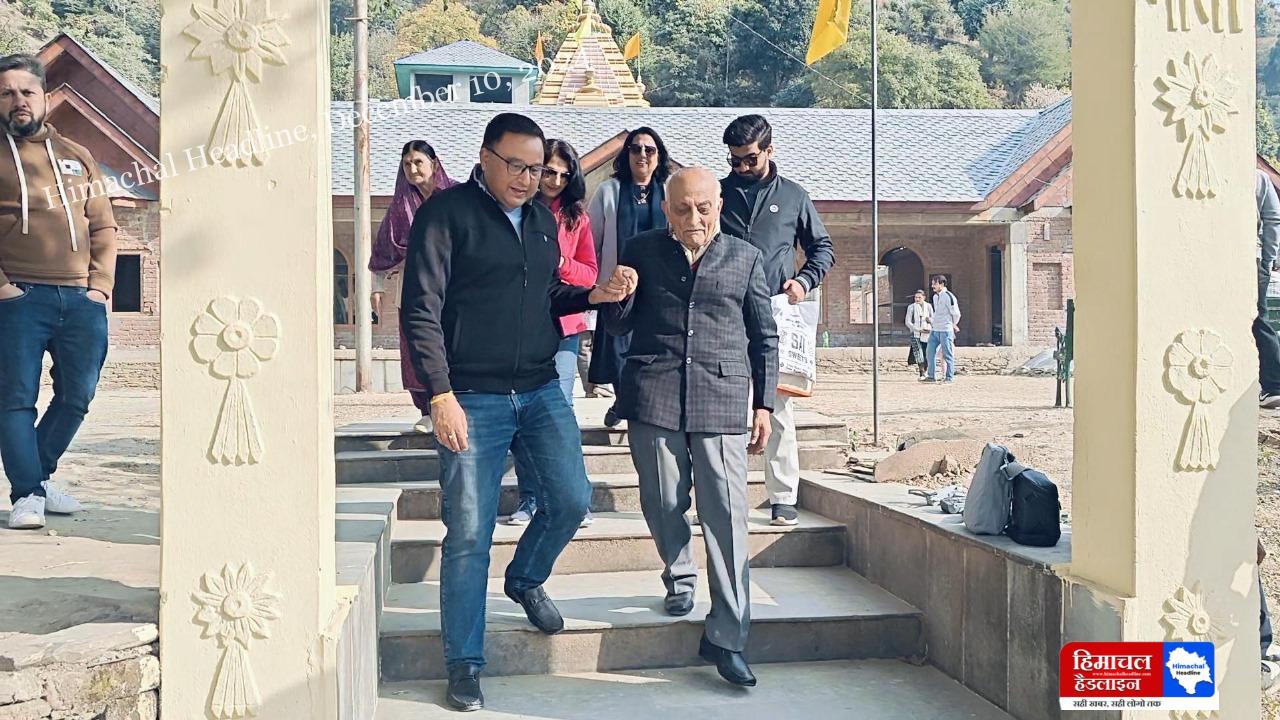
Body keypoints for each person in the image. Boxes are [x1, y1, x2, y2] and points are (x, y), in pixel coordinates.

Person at [399, 112, 635, 712]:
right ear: (485, 157)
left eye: (537, 169)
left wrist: (593, 294)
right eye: (517, 167)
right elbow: (421, 308)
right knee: (469, 532)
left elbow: (546, 294)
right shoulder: (446, 215)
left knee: (572, 499)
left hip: (538, 389)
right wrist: (439, 396)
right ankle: (464, 662)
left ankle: (525, 578)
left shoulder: (539, 221)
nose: (529, 180)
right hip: (469, 397)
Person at [601, 167, 777, 687]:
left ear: (718, 206)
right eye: (681, 209)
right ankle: (679, 575)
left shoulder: (746, 257)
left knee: (727, 516)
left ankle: (728, 637)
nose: (693, 218)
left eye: (703, 207)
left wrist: (764, 405)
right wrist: (617, 295)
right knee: (661, 501)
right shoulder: (641, 249)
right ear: (666, 210)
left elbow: (764, 337)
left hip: (721, 399)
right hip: (654, 394)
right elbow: (617, 325)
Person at [0, 54, 116, 530]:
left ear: (45, 98)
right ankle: (27, 493)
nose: (18, 101)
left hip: (81, 300)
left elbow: (102, 224)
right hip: (19, 299)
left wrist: (101, 287)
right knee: (16, 399)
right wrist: (3, 289)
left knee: (77, 396)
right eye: (7, 93)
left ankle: (37, 478)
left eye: (27, 92)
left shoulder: (77, 155)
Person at [718, 114, 835, 527]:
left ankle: (783, 495)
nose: (741, 167)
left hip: (774, 312)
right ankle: (722, 496)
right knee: (723, 405)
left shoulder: (793, 196)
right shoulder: (718, 193)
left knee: (777, 404)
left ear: (769, 150)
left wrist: (804, 281)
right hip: (724, 311)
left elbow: (823, 249)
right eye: (734, 160)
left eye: (749, 159)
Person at [508, 138, 598, 528]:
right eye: (549, 171)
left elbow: (589, 274)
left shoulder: (576, 218)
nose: (556, 180)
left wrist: (559, 261)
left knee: (560, 411)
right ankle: (531, 497)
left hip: (563, 327)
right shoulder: (515, 208)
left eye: (564, 174)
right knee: (522, 410)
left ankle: (576, 499)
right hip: (518, 325)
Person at [588, 126, 672, 428]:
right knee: (618, 351)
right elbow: (592, 241)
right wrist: (593, 286)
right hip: (618, 289)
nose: (642, 155)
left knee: (653, 351)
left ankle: (631, 404)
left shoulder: (670, 190)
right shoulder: (608, 191)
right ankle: (624, 399)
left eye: (649, 150)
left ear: (659, 156)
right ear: (627, 155)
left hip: (660, 289)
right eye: (636, 149)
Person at [371, 140, 456, 433]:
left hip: (455, 285)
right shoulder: (400, 207)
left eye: (418, 162)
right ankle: (428, 410)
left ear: (434, 163)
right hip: (414, 288)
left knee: (454, 345)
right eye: (407, 164)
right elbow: (383, 249)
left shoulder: (458, 197)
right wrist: (377, 287)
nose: (413, 168)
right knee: (417, 348)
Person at [1255, 169, 1280, 409]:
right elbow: (1272, 219)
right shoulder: (1260, 178)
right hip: (1252, 258)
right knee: (1259, 319)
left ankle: (1273, 385)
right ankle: (1273, 386)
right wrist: (1268, 259)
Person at [925, 275, 961, 383]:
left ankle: (949, 377)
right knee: (930, 352)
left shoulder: (949, 296)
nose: (933, 286)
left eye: (935, 284)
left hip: (945, 329)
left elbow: (956, 313)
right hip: (935, 329)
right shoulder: (935, 297)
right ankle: (931, 376)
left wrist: (952, 324)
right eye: (932, 284)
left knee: (947, 354)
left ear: (942, 284)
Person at [905, 289, 932, 380]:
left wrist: (929, 323)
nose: (917, 299)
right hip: (916, 333)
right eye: (916, 297)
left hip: (927, 333)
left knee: (927, 353)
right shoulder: (911, 307)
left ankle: (926, 371)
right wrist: (916, 329)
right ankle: (921, 373)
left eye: (919, 297)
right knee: (918, 353)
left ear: (924, 297)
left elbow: (933, 318)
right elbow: (908, 321)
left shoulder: (928, 306)